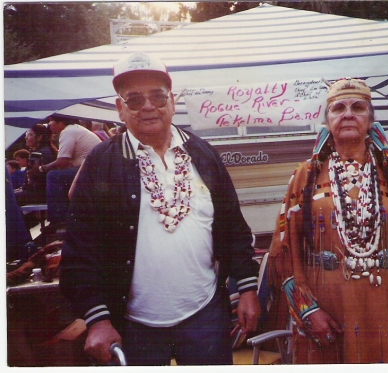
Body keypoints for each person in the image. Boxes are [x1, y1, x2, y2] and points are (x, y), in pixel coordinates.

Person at [59, 52, 261, 366]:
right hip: (132, 325)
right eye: (135, 99)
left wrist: (247, 288)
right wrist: (98, 319)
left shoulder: (204, 154)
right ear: (120, 109)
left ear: (172, 101)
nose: (149, 106)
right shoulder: (101, 162)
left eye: (157, 96)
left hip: (206, 316)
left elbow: (233, 226)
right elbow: (79, 251)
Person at [268, 78, 388, 363]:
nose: (348, 114)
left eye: (358, 107)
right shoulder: (306, 174)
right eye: (339, 108)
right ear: (327, 121)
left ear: (371, 120)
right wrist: (307, 308)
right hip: (328, 301)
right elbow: (285, 247)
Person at [28, 114, 101, 231]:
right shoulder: (75, 129)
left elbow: (63, 161)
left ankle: (59, 220)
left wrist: (41, 169)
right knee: (60, 177)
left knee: (53, 176)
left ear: (61, 122)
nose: (50, 126)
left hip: (93, 170)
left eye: (52, 123)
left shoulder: (67, 132)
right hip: (95, 169)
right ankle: (67, 216)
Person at [15, 124, 56, 206]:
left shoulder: (39, 154)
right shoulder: (46, 150)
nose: (26, 137)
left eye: (30, 135)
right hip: (41, 192)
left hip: (39, 194)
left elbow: (35, 179)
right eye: (26, 134)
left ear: (39, 137)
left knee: (7, 198)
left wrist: (23, 189)